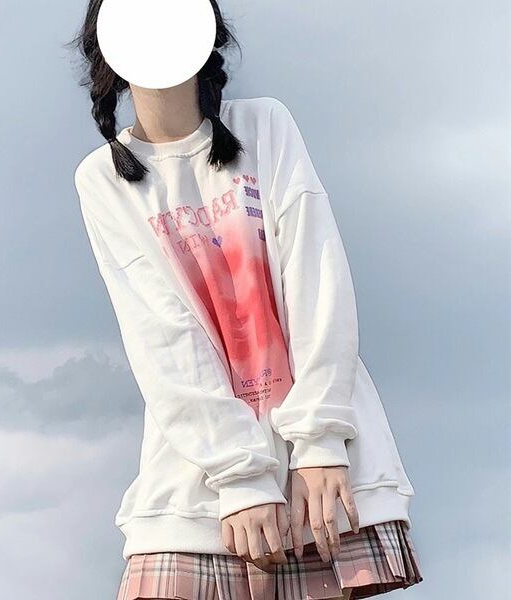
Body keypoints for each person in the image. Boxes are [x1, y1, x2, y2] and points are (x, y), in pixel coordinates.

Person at [71, 2, 423, 599]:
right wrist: (240, 475)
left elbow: (315, 275)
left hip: (317, 466)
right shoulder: (104, 179)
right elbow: (162, 335)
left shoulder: (265, 127)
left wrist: (318, 441)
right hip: (201, 480)